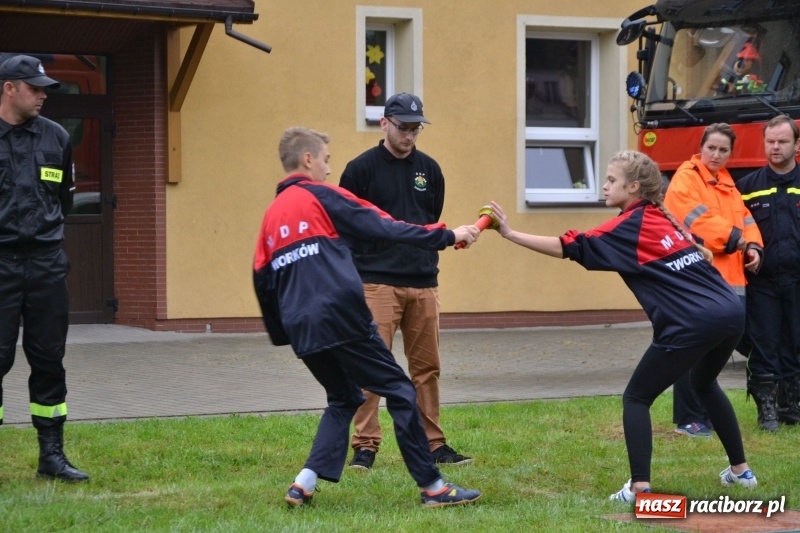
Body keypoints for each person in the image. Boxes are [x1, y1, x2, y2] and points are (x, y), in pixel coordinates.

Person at [488, 151, 757, 501]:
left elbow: (568, 246)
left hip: (694, 322)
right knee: (703, 382)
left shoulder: (627, 225)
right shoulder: (662, 219)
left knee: (636, 397)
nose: (604, 185)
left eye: (611, 180)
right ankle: (742, 472)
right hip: (731, 312)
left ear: (633, 187)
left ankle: (640, 489)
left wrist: (509, 233)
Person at [252, 126, 482, 508]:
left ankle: (303, 484)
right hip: (340, 315)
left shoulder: (272, 216)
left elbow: (263, 279)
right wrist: (446, 235)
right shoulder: (322, 196)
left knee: (344, 398)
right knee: (401, 390)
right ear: (308, 159)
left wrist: (286, 333)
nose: (328, 168)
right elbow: (384, 225)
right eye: (325, 159)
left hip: (302, 327)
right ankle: (433, 487)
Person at [339, 93, 471, 469]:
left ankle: (434, 444)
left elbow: (432, 220)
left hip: (424, 283)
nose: (410, 135)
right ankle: (365, 446)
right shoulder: (360, 169)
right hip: (376, 284)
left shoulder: (430, 170)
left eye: (416, 129)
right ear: (384, 123)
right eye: (403, 127)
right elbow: (348, 224)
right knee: (370, 368)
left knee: (426, 368)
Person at [0, 55, 88, 481]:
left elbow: (64, 201)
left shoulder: (55, 136)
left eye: (44, 88)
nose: (42, 95)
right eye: (34, 88)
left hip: (46, 265)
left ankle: (51, 456)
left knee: (49, 359)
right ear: (9, 88)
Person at [664, 122, 763, 437]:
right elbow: (697, 220)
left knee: (712, 353)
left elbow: (746, 218)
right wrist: (740, 240)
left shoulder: (726, 182)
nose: (717, 155)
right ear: (701, 146)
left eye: (723, 150)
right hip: (702, 280)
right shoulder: (685, 179)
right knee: (695, 349)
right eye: (712, 148)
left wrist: (755, 246)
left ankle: (701, 415)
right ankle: (689, 419)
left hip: (728, 280)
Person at [736, 115, 800, 431]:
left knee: (796, 343)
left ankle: (793, 407)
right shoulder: (746, 188)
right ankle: (767, 411)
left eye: (783, 141)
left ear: (796, 145)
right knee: (764, 346)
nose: (775, 147)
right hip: (762, 283)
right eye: (770, 141)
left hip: (798, 282)